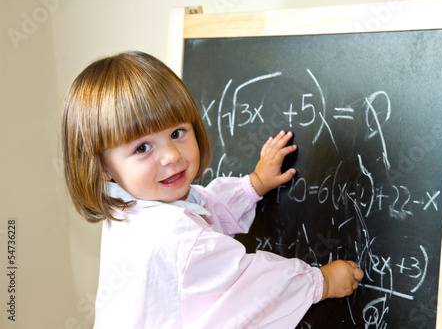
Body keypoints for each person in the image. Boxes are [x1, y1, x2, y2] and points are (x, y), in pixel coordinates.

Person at [61, 51, 364, 328]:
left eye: (177, 133)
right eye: (142, 147)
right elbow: (250, 287)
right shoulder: (170, 236)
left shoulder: (132, 206)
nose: (172, 156)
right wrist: (320, 281)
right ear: (102, 167)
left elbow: (201, 206)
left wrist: (254, 185)